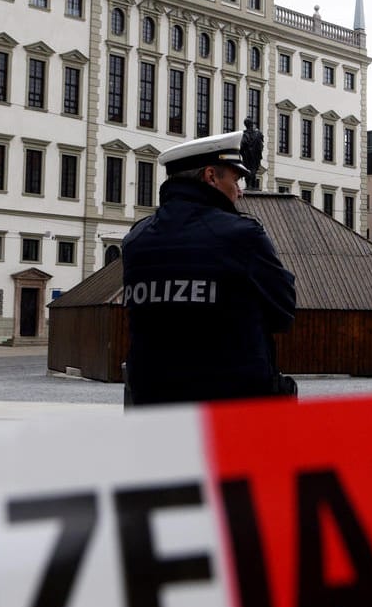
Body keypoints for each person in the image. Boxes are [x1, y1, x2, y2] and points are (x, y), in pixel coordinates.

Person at [122, 130, 296, 405]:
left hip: (154, 410)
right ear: (211, 176)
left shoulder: (136, 239)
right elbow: (283, 312)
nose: (239, 191)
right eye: (236, 179)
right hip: (231, 410)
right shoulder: (242, 236)